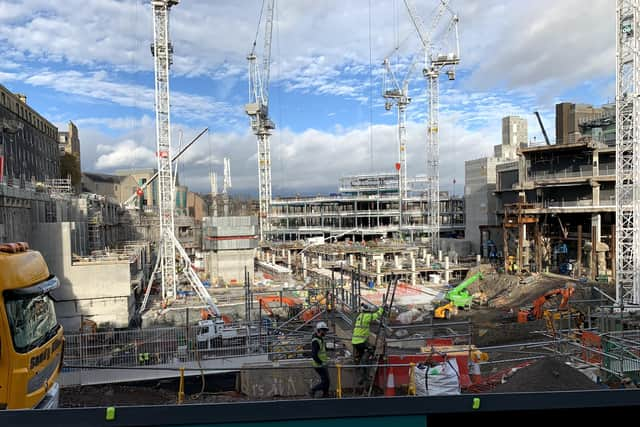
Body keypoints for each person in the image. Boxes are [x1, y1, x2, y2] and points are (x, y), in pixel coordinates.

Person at [309, 321, 330, 398]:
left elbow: (322, 349)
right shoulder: (316, 341)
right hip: (318, 365)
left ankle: (325, 394)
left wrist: (330, 349)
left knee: (327, 381)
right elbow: (314, 355)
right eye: (323, 330)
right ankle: (313, 390)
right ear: (318, 330)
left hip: (322, 363)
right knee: (325, 381)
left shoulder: (320, 339)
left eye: (325, 330)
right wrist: (321, 363)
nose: (325, 332)